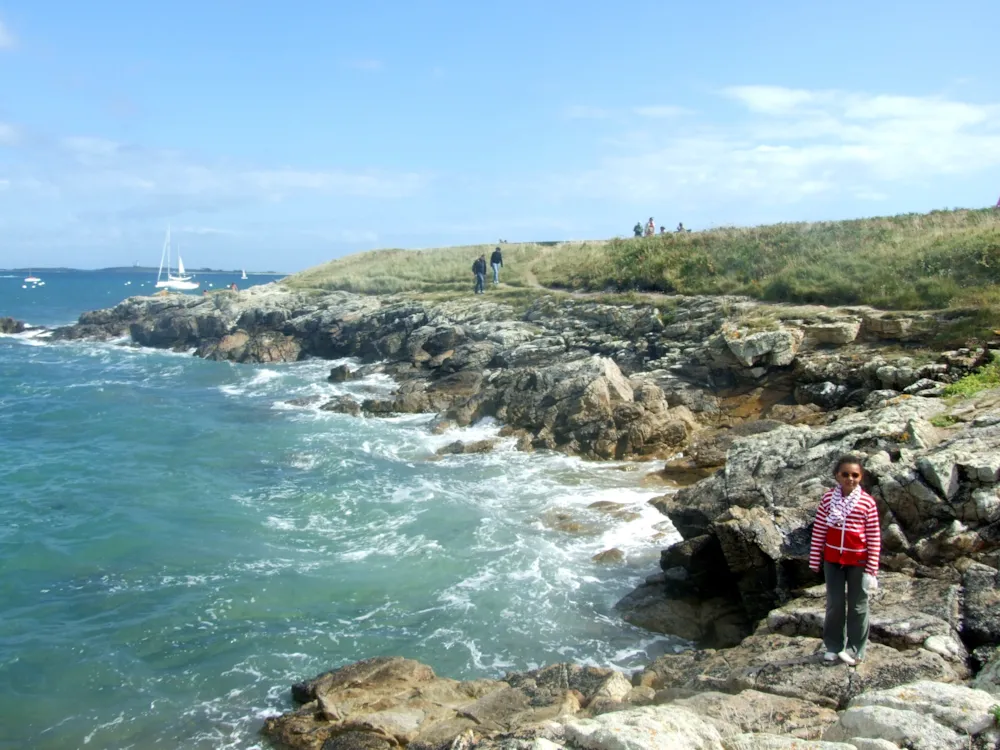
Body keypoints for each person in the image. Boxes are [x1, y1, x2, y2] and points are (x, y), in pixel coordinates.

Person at [809, 454, 880, 666]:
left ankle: (855, 648)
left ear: (861, 476)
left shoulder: (867, 503)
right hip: (833, 560)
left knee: (858, 606)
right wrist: (814, 558)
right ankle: (833, 646)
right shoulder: (828, 499)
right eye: (846, 474)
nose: (850, 478)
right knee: (835, 604)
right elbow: (820, 529)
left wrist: (872, 570)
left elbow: (874, 536)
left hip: (858, 561)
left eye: (855, 475)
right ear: (837, 476)